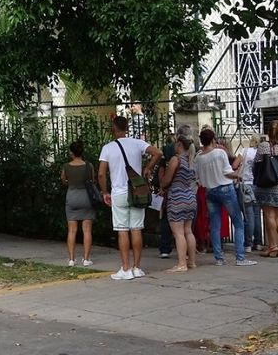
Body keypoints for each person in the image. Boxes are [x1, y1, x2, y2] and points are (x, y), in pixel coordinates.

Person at [98, 116, 162, 280]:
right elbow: (158, 153)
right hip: (136, 192)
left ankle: (125, 268)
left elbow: (101, 173)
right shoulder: (137, 143)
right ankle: (137, 267)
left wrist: (105, 192)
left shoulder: (108, 148)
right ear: (127, 127)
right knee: (136, 229)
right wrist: (148, 168)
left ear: (114, 128)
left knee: (122, 230)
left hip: (119, 192)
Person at [193, 129, 257, 267]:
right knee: (238, 223)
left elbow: (197, 178)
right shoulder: (219, 153)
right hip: (226, 189)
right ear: (213, 140)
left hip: (210, 191)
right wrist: (238, 173)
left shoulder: (198, 157)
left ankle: (219, 258)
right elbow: (227, 173)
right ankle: (240, 257)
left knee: (214, 225)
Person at [160, 132, 198, 272]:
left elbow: (167, 180)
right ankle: (192, 262)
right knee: (188, 231)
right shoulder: (191, 160)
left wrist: (162, 184)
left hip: (177, 197)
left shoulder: (176, 159)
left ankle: (182, 263)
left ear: (180, 144)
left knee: (178, 233)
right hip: (190, 197)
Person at [255, 121, 278, 258]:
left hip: (267, 185)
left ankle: (273, 246)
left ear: (268, 132)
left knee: (269, 215)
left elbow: (256, 162)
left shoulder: (264, 146)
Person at [61, 140, 95, 267]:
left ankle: (71, 259)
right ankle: (86, 259)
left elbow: (63, 180)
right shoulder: (89, 166)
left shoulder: (66, 166)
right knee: (87, 230)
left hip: (72, 196)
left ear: (71, 153)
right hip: (86, 197)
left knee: (72, 231)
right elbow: (93, 180)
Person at [235, 135, 263, 252]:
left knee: (248, 215)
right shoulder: (260, 153)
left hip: (245, 185)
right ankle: (258, 243)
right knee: (257, 214)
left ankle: (248, 244)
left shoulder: (244, 151)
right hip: (257, 185)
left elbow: (234, 165)